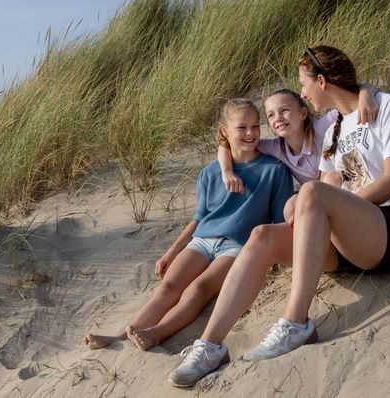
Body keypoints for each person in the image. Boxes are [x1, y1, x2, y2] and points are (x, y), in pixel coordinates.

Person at [168, 46, 390, 388]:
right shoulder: (333, 127)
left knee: (311, 193)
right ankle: (210, 345)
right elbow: (325, 181)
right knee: (262, 235)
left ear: (321, 81)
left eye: (304, 85)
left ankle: (296, 322)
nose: (302, 93)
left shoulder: (387, 106)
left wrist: (332, 205)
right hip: (348, 241)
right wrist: (305, 212)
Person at [83, 98, 294, 351]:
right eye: (241, 128)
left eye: (255, 126)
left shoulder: (274, 170)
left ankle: (157, 333)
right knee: (169, 287)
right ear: (224, 131)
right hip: (203, 241)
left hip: (237, 246)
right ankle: (121, 336)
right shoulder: (210, 173)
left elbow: (279, 223)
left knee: (199, 288)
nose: (250, 133)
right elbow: (199, 218)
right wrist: (170, 253)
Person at [215, 86, 380, 194]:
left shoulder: (322, 127)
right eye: (271, 115)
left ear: (303, 113)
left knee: (332, 178)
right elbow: (227, 143)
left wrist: (365, 92)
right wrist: (227, 172)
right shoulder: (276, 148)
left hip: (351, 191)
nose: (278, 118)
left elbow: (353, 98)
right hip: (318, 202)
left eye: (284, 110)